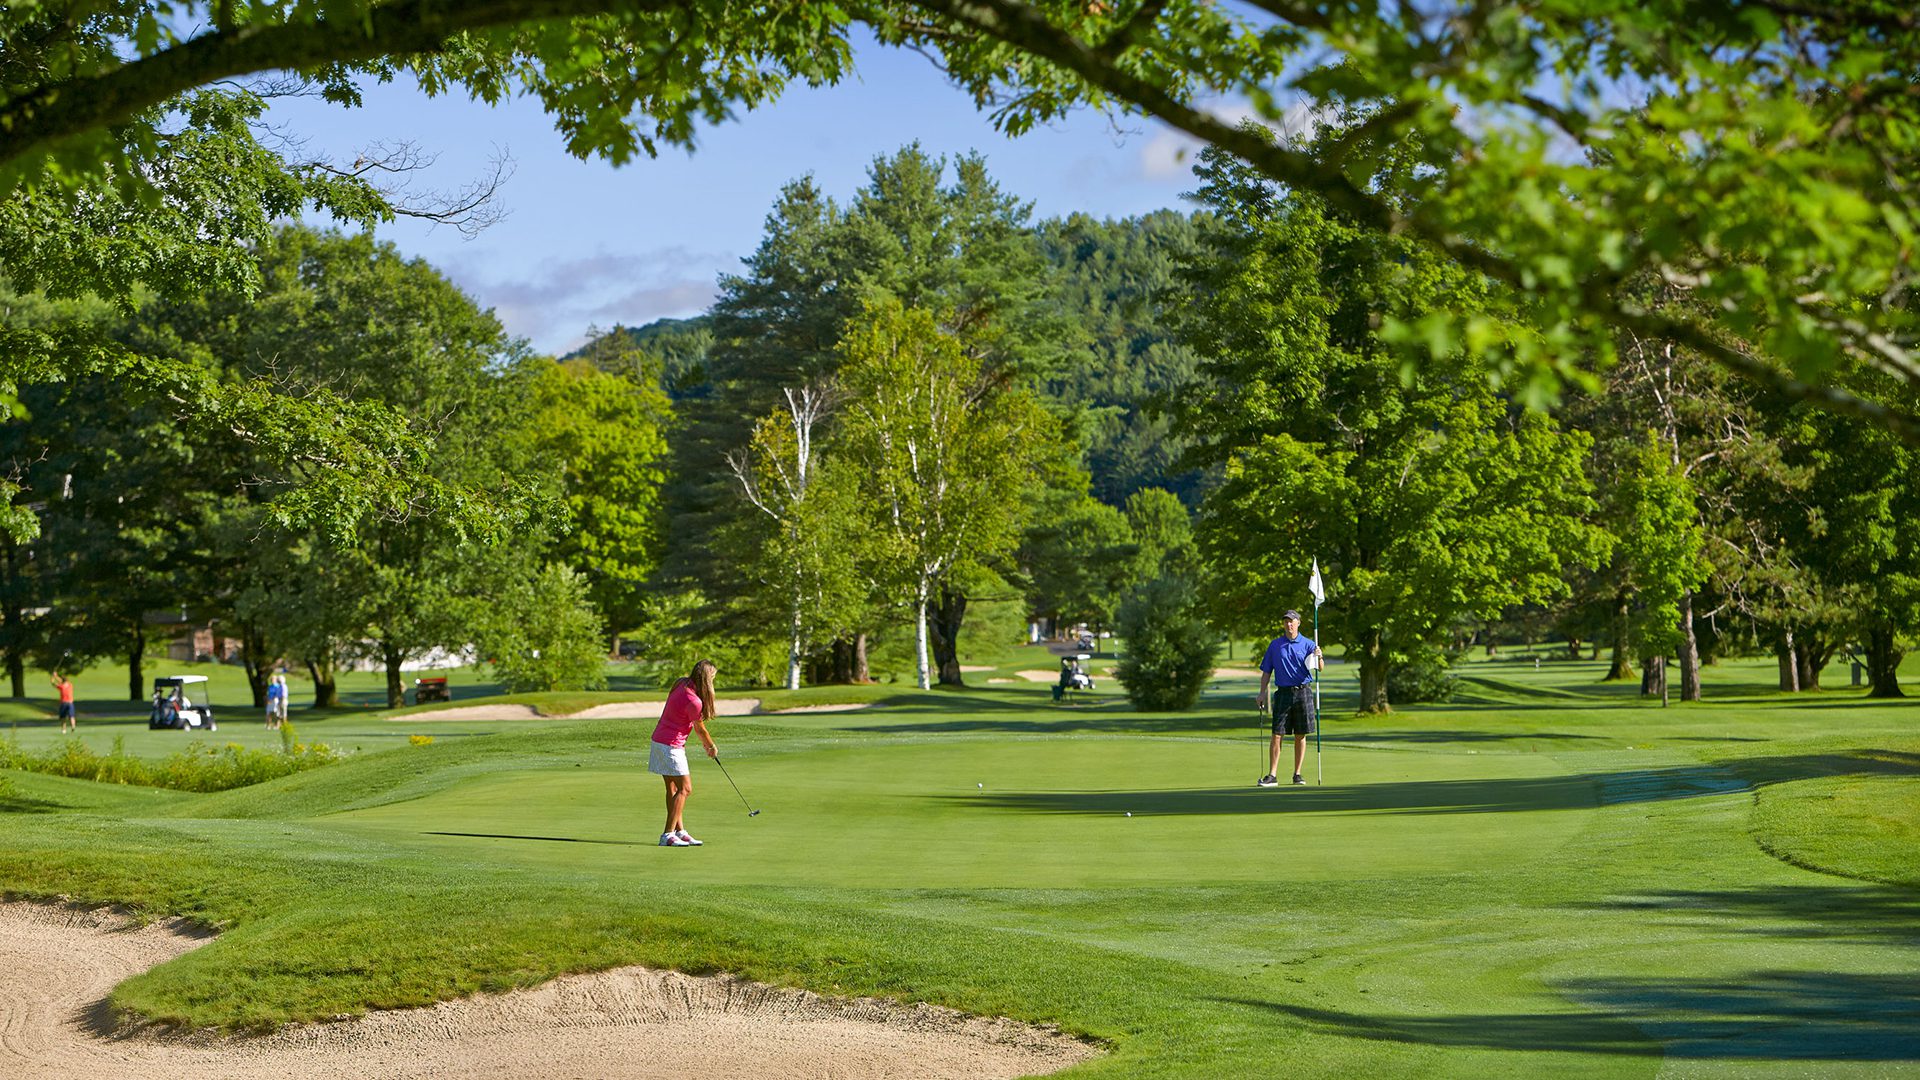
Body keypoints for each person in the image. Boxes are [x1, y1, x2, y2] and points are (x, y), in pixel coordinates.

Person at [649, 659, 719, 847]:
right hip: (671, 746)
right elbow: (700, 729)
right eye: (712, 678)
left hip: (659, 741)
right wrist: (711, 747)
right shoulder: (694, 701)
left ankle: (679, 831)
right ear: (706, 679)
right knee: (685, 789)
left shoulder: (680, 683)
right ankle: (667, 834)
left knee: (672, 789)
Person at [1256, 609, 1322, 787]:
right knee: (1277, 734)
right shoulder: (1275, 645)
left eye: (1292, 621)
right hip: (1283, 692)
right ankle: (1272, 775)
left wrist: (1319, 656)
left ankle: (1297, 774)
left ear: (1298, 623)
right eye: (1286, 621)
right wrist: (1262, 692)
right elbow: (1266, 671)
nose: (1289, 624)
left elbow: (1320, 668)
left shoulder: (1308, 644)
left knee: (1300, 734)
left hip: (1303, 691)